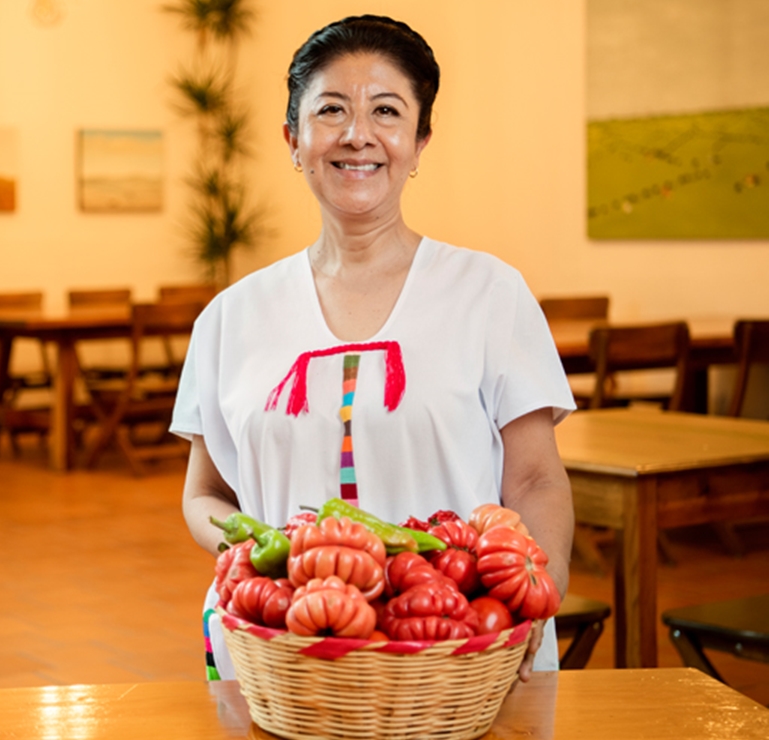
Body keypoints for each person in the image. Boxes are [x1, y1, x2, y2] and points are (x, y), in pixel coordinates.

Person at [170, 14, 575, 682]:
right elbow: (203, 495)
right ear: (293, 140)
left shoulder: (488, 293)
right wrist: (278, 559)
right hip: (283, 645)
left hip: (453, 646)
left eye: (385, 111)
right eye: (330, 109)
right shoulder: (229, 316)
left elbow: (533, 479)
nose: (357, 133)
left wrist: (535, 595)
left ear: (418, 142)